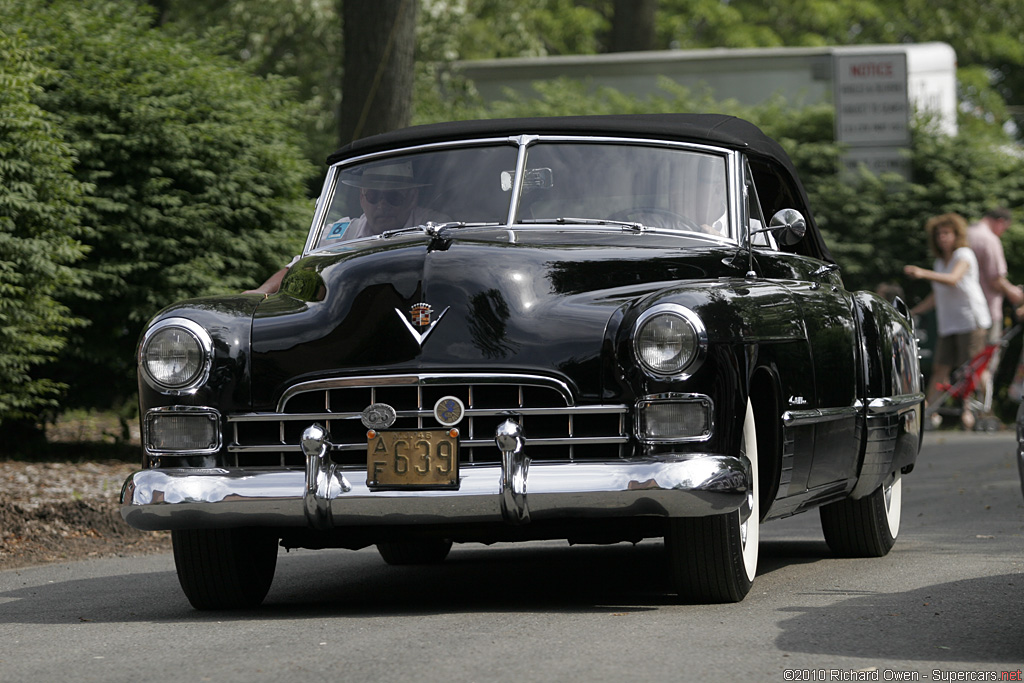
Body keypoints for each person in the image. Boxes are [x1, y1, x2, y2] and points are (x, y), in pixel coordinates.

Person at [245, 160, 438, 295]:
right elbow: (302, 265)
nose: (382, 205)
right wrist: (262, 291)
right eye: (373, 196)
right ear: (362, 198)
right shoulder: (343, 232)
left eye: (393, 197)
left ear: (412, 198)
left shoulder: (435, 227)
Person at [904, 213, 991, 429]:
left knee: (971, 369)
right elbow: (936, 295)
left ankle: (978, 412)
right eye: (939, 234)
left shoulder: (964, 254)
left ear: (956, 235)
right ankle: (929, 412)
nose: (943, 238)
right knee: (940, 368)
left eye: (946, 233)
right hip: (949, 323)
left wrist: (922, 273)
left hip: (970, 320)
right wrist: (914, 311)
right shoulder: (939, 262)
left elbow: (953, 279)